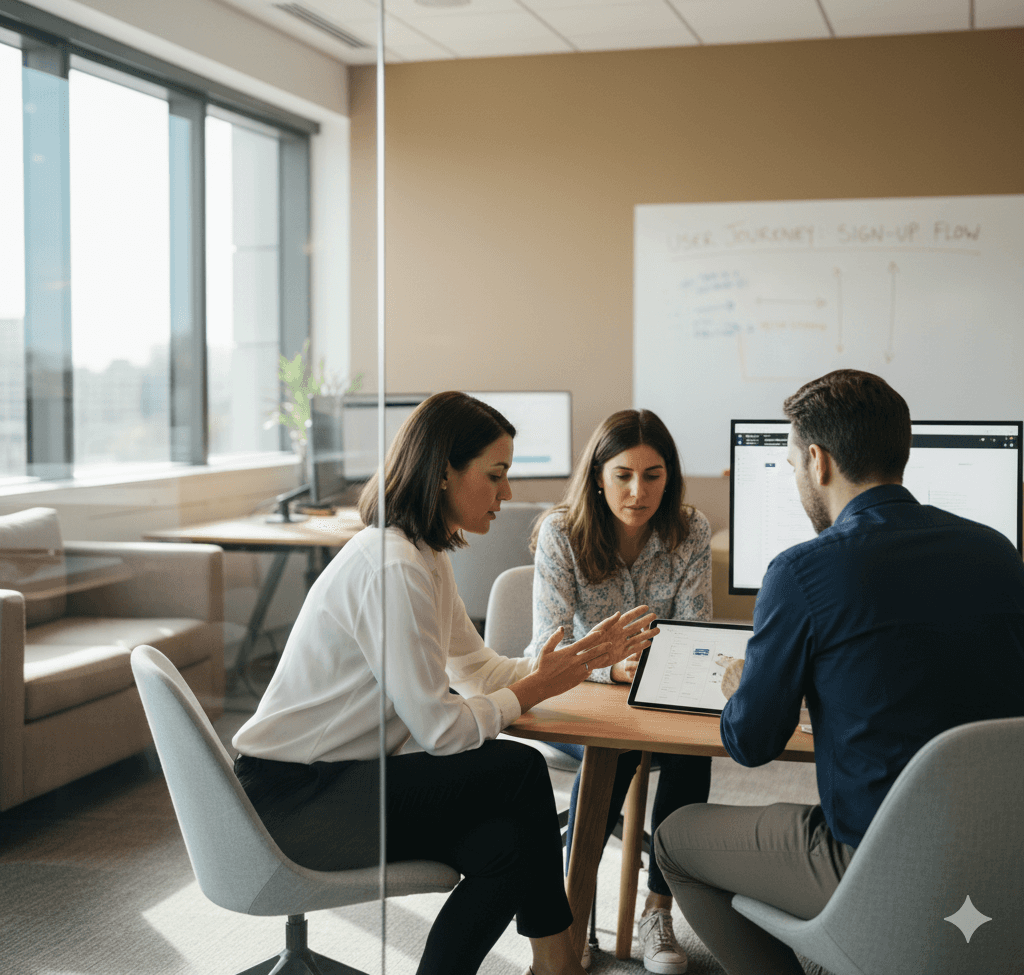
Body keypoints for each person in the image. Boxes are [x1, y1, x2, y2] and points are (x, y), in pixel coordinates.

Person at [231, 392, 660, 975]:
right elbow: (439, 731)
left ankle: (550, 963)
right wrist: (536, 688)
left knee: (507, 847)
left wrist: (571, 666)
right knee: (519, 770)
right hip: (295, 800)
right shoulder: (393, 567)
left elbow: (478, 671)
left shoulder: (424, 556)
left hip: (348, 781)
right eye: (496, 475)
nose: (506, 494)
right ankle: (556, 962)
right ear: (440, 474)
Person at [653, 369, 1024, 975]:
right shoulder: (1000, 553)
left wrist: (746, 687)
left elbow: (751, 743)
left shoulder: (803, 571)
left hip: (872, 866)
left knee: (673, 840)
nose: (796, 476)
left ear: (818, 462)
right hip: (1004, 858)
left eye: (792, 462)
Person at [528, 408, 713, 974]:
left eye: (653, 475)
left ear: (670, 475)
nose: (639, 492)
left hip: (662, 693)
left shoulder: (690, 530)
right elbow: (545, 649)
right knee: (620, 745)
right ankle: (571, 919)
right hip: (583, 700)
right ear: (598, 477)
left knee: (693, 743)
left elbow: (697, 633)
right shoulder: (562, 532)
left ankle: (658, 911)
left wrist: (661, 669)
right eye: (623, 475)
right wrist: (611, 670)